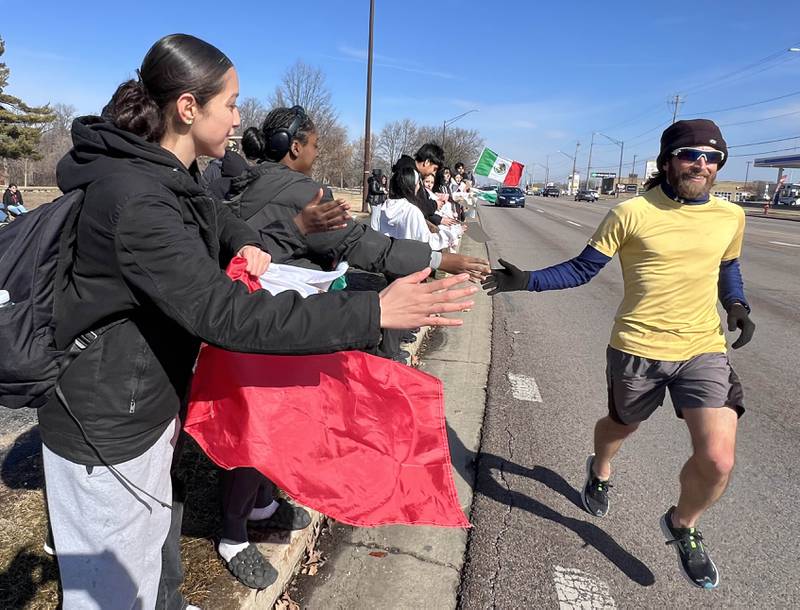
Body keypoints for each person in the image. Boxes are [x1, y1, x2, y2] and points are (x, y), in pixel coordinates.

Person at [38, 34, 477, 609]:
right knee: (106, 595)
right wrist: (373, 310)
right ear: (189, 108)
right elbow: (228, 316)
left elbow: (214, 214)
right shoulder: (137, 199)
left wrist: (245, 241)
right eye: (232, 103)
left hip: (137, 400)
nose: (241, 117)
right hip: (105, 425)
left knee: (144, 554)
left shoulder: (166, 172)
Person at [482, 119, 755, 590]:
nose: (702, 165)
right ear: (669, 159)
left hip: (702, 348)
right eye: (691, 155)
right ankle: (600, 468)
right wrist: (526, 280)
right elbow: (582, 269)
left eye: (712, 158)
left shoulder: (731, 217)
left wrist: (736, 305)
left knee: (718, 459)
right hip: (638, 347)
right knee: (621, 426)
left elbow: (727, 266)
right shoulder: (632, 212)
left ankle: (682, 524)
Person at [392, 143, 446, 227]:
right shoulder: (410, 174)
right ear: (427, 162)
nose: (433, 173)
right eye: (434, 169)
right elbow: (417, 206)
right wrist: (435, 204)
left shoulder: (411, 172)